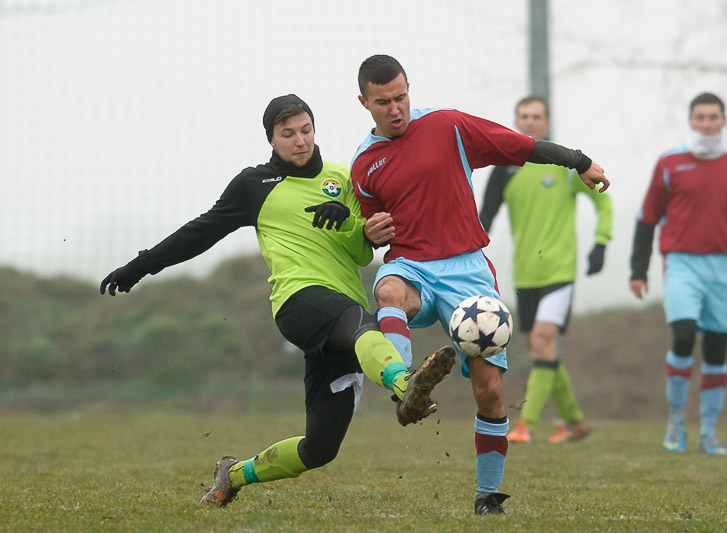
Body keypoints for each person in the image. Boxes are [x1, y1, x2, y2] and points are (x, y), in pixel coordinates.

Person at [100, 94, 455, 508]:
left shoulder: (346, 178)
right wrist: (140, 266)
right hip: (298, 302)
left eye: (306, 130)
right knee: (363, 324)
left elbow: (363, 252)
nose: (299, 141)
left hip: (343, 316)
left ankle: (232, 474)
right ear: (271, 138)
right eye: (287, 134)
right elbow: (200, 232)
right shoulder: (254, 185)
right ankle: (404, 384)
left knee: (319, 449)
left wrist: (352, 226)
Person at [351, 55, 610, 514]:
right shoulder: (364, 165)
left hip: (467, 272)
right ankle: (405, 386)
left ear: (410, 89)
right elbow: (370, 234)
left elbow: (520, 146)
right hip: (410, 265)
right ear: (364, 103)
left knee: (489, 389)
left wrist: (579, 162)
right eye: (383, 102)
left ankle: (487, 496)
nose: (395, 108)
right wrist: (369, 235)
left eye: (401, 97)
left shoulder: (449, 126)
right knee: (387, 291)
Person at [630, 92, 727, 456]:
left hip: (724, 265)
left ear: (724, 120)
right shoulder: (670, 162)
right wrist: (638, 269)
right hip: (682, 262)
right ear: (690, 120)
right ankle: (676, 421)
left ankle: (708, 432)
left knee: (717, 349)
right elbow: (646, 217)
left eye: (713, 117)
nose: (706, 123)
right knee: (684, 335)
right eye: (700, 117)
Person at [479, 95, 613, 445]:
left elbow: (603, 199)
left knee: (541, 342)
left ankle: (525, 425)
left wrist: (601, 242)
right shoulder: (505, 168)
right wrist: (468, 252)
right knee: (542, 351)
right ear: (516, 121)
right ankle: (575, 423)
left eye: (536, 116)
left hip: (559, 271)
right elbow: (484, 217)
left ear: (547, 123)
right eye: (523, 116)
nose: (530, 122)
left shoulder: (565, 167)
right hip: (525, 275)